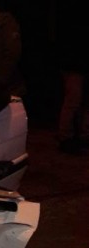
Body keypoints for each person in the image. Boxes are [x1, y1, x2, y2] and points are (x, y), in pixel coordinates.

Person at [56, 3, 89, 154]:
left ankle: (82, 135)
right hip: (74, 63)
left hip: (76, 62)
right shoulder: (72, 11)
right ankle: (66, 137)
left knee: (78, 102)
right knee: (73, 101)